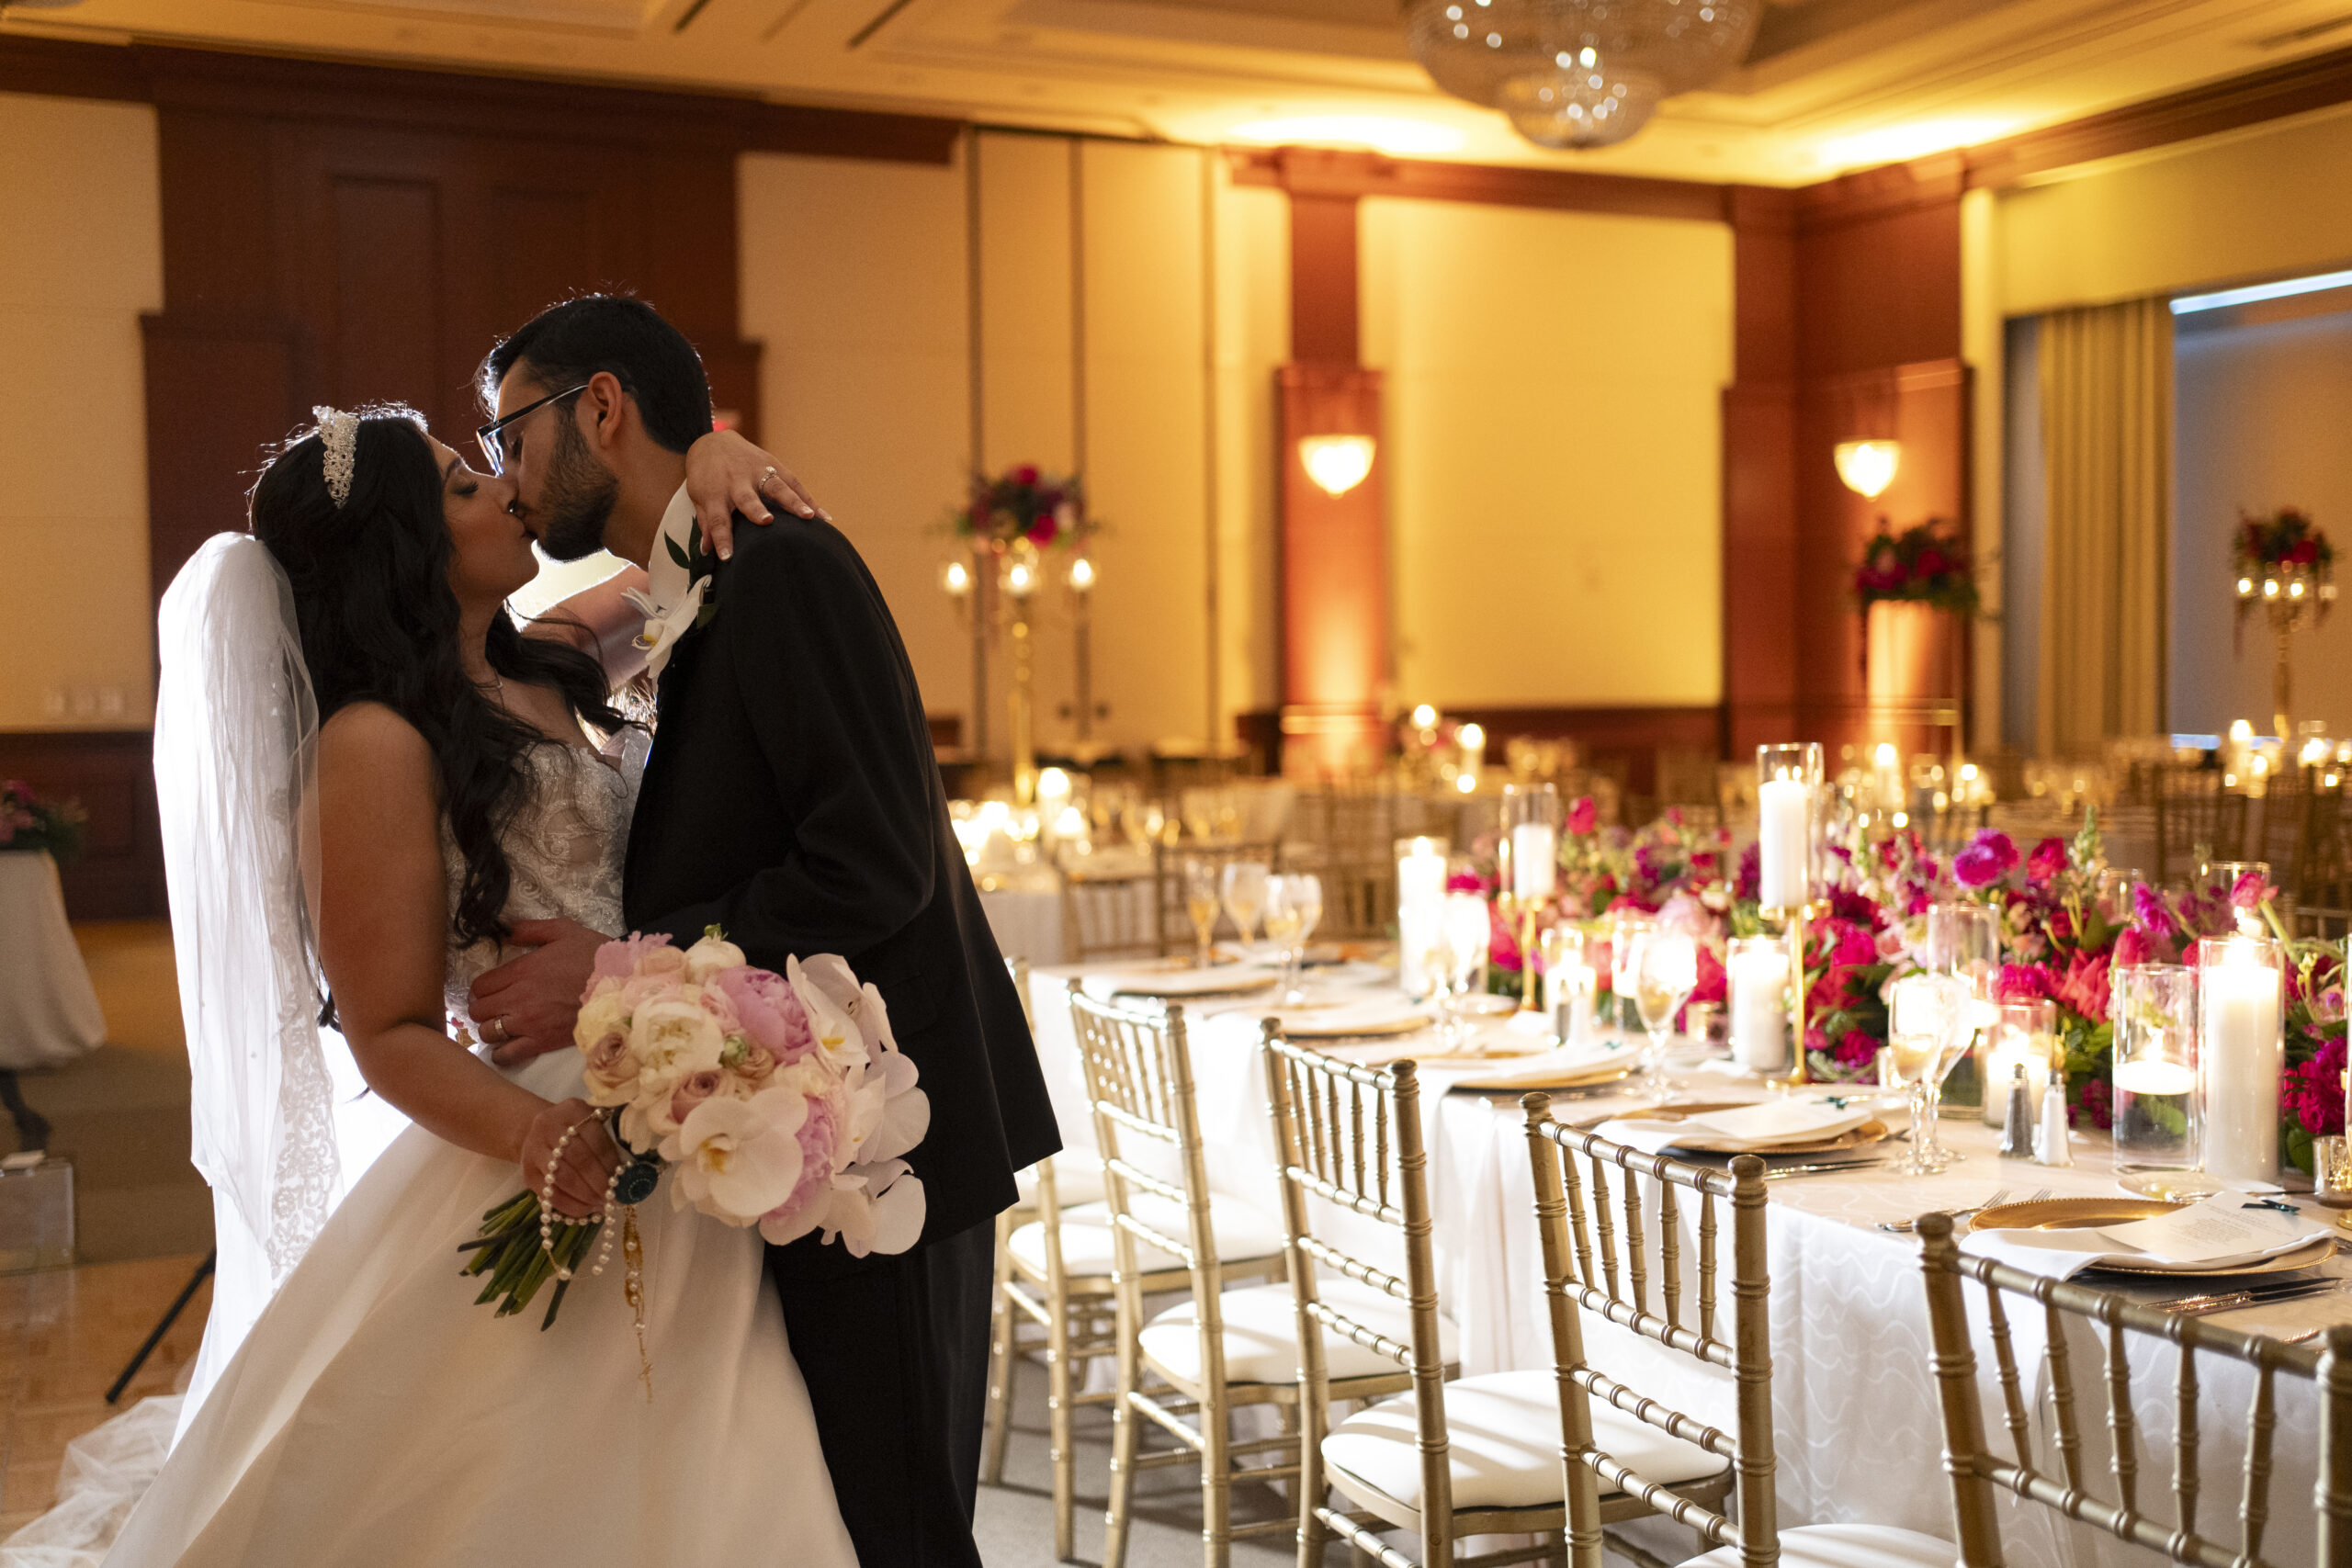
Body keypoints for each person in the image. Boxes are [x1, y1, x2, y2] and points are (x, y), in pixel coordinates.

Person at [83, 407, 856, 1567]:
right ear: (402, 544)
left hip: (672, 1096)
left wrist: (715, 455)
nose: (501, 489)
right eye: (457, 486)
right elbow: (390, 1028)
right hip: (539, 1132)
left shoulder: (553, 654)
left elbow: (693, 563)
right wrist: (545, 1135)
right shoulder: (374, 744)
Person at [469, 294, 1060, 1568]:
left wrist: (628, 963)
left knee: (900, 1526)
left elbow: (874, 860)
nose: (511, 477)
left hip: (887, 1129)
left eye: (510, 432)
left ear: (604, 406)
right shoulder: (706, 571)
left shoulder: (781, 563)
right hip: (813, 1118)